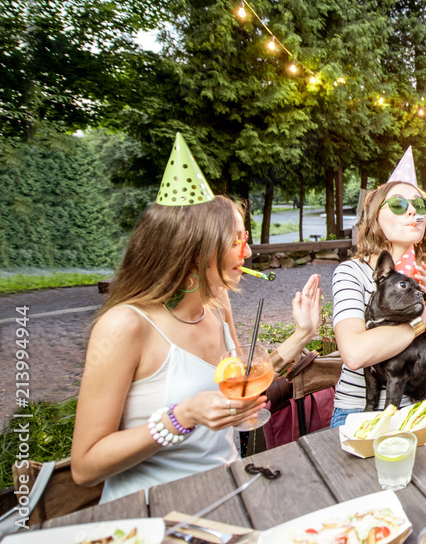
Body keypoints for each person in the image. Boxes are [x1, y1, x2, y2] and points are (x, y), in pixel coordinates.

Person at [71, 135, 321, 502]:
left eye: (246, 237)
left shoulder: (218, 304)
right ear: (193, 248)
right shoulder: (125, 325)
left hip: (226, 494)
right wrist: (182, 417)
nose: (248, 251)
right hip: (150, 514)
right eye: (236, 241)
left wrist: (302, 333)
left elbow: (241, 383)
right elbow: (85, 465)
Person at [329, 174, 426, 428]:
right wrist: (422, 321)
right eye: (399, 205)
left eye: (420, 206)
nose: (412, 211)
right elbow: (354, 354)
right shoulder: (352, 272)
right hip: (361, 412)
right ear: (375, 216)